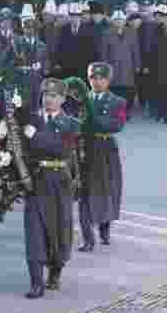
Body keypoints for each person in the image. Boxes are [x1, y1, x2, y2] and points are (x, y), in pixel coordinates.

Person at [22, 78, 79, 298]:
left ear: (63, 99)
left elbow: (62, 149)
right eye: (46, 95)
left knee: (58, 229)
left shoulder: (70, 123)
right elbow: (21, 148)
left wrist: (35, 136)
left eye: (54, 96)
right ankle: (36, 282)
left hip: (59, 182)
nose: (49, 100)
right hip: (36, 181)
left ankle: (55, 271)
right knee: (34, 231)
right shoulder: (32, 119)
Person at [77, 62, 127, 252]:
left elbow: (117, 125)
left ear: (108, 80)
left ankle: (104, 227)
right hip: (85, 149)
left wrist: (94, 121)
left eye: (101, 78)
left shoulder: (118, 102)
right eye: (93, 78)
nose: (97, 82)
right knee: (84, 193)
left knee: (106, 191)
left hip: (105, 150)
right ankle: (87, 238)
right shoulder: (82, 99)